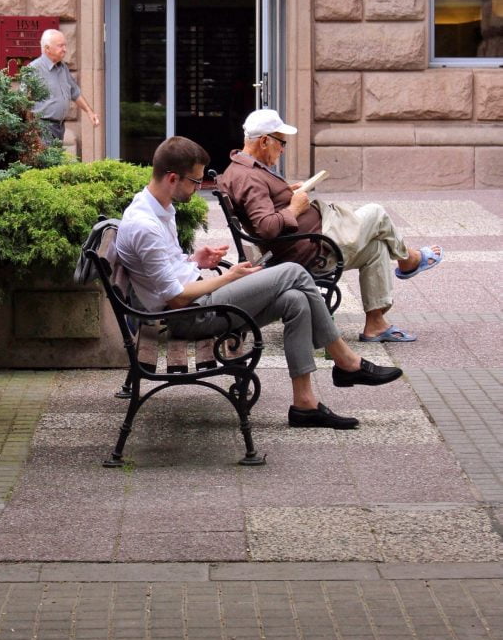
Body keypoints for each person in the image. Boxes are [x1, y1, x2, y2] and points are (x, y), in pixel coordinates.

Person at [116, 135, 404, 430]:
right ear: (173, 178)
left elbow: (165, 272)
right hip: (187, 316)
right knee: (292, 271)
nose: (199, 187)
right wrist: (229, 277)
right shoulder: (145, 225)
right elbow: (175, 298)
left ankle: (305, 405)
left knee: (296, 300)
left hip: (193, 303)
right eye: (195, 182)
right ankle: (347, 363)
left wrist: (194, 261)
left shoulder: (157, 208)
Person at [220, 109, 444, 344]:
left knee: (376, 247)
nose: (283, 149)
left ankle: (376, 325)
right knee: (376, 212)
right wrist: (295, 207)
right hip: (315, 249)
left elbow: (264, 210)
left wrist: (288, 194)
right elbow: (266, 227)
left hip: (313, 239)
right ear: (265, 141)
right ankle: (409, 260)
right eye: (281, 142)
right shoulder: (250, 178)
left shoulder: (241, 168)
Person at [26, 28, 99, 144]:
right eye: (60, 46)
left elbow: (75, 92)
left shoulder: (63, 68)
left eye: (65, 45)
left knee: (56, 161)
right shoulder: (33, 69)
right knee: (46, 161)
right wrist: (31, 129)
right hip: (42, 128)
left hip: (59, 127)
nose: (64, 49)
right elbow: (24, 102)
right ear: (47, 49)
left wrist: (89, 112)